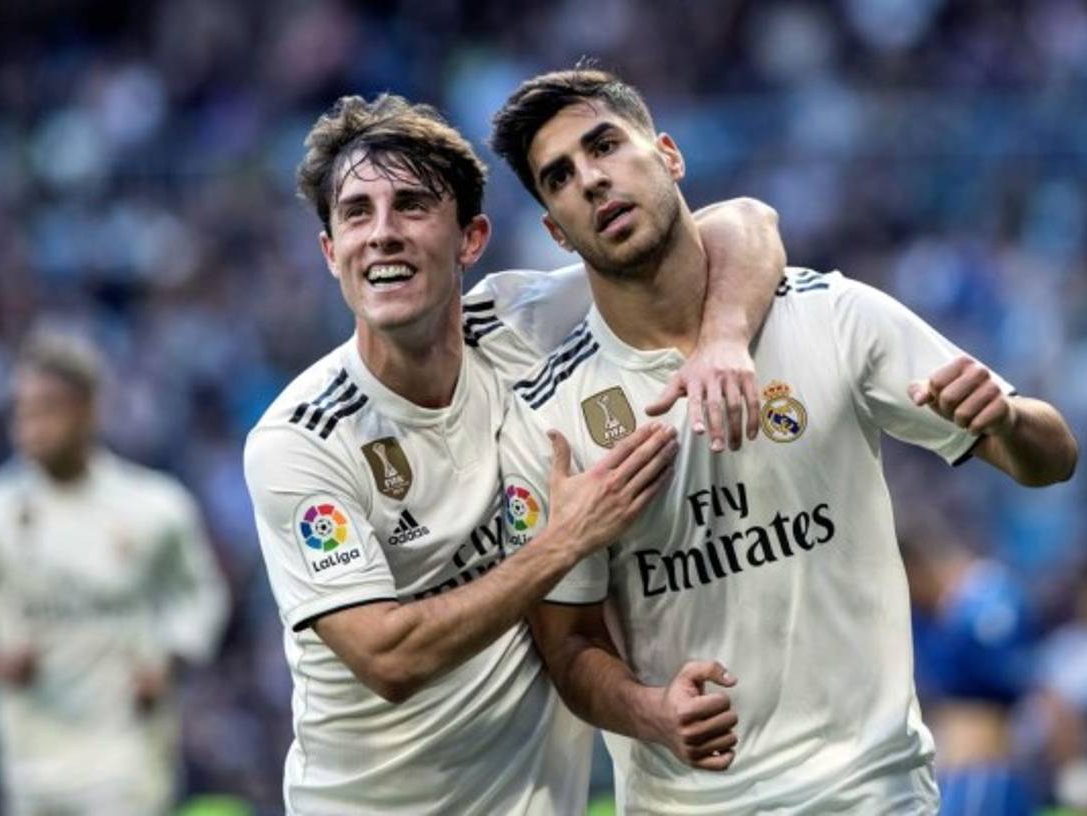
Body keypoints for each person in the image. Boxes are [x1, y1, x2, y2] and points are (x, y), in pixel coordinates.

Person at [490, 67, 1079, 814]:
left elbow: (1052, 459)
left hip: (875, 794)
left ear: (668, 155)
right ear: (554, 228)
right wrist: (650, 712)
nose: (592, 181)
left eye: (605, 145)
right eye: (560, 178)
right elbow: (568, 645)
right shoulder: (553, 413)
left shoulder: (833, 316)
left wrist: (1006, 418)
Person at [243, 93, 785, 814]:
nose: (381, 234)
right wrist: (562, 543)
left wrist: (721, 338)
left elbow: (740, 223)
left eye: (410, 206)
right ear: (329, 251)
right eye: (356, 215)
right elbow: (389, 657)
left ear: (471, 240)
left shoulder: (523, 324)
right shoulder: (303, 439)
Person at [0, 333, 229, 816]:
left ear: (89, 411)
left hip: (127, 751)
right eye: (22, 410)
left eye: (48, 408)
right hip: (29, 755)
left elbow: (202, 596)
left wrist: (170, 661)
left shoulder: (154, 507)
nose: (30, 426)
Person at [902, 526, 1037, 815]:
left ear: (916, 570)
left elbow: (1008, 680)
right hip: (942, 767)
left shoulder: (990, 591)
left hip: (984, 768)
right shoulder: (921, 616)